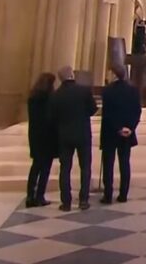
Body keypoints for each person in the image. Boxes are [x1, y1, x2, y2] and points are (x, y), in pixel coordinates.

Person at [49, 66, 98, 211]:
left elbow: (52, 117)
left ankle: (66, 202)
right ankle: (83, 200)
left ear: (60, 78)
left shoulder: (56, 95)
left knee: (65, 169)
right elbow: (93, 109)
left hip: (64, 135)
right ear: (72, 75)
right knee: (85, 167)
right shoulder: (83, 91)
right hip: (82, 133)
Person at [100, 66, 142, 204]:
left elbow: (107, 114)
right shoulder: (133, 90)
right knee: (124, 164)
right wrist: (130, 128)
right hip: (127, 133)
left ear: (114, 74)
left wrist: (118, 128)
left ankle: (108, 195)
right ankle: (123, 194)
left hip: (110, 133)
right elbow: (137, 111)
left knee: (108, 164)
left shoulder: (107, 91)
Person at [25, 73, 57, 208]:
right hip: (48, 136)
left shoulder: (32, 98)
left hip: (35, 135)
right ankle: (40, 196)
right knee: (45, 169)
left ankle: (29, 195)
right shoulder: (51, 98)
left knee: (35, 166)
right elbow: (52, 118)